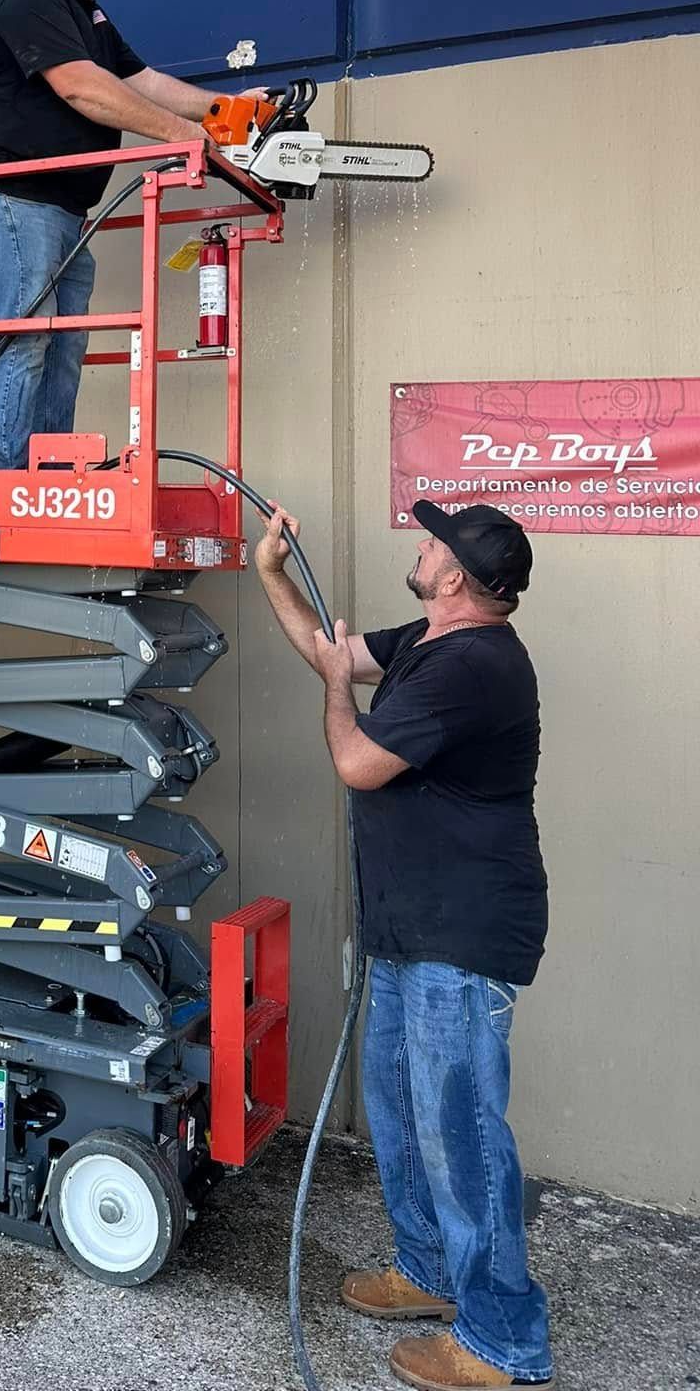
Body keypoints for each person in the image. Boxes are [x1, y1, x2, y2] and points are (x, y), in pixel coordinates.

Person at [254, 499, 553, 1391]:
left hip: (459, 940)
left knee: (460, 1137)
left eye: (429, 544)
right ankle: (427, 1273)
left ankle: (505, 1341)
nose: (417, 550)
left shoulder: (474, 667)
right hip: (412, 929)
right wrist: (272, 569)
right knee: (401, 1114)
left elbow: (358, 761)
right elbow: (331, 652)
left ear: (456, 576)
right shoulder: (432, 641)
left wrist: (340, 695)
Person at [0, 0, 259, 470]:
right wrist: (183, 134)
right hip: (12, 199)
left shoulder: (83, 11)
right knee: (27, 337)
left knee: (64, 346)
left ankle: (46, 475)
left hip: (63, 210)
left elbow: (140, 82)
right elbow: (82, 87)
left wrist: (228, 111)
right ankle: (12, 484)